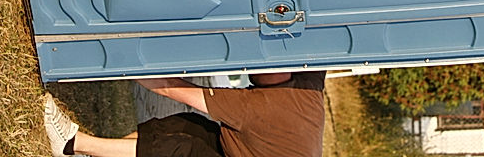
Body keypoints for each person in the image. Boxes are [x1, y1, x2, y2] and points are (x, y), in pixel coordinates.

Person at [41, 72, 326, 157]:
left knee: (179, 150)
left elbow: (169, 88)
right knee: (183, 126)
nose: (251, 69)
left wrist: (121, 61)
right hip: (243, 150)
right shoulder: (308, 78)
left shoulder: (260, 108)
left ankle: (70, 143)